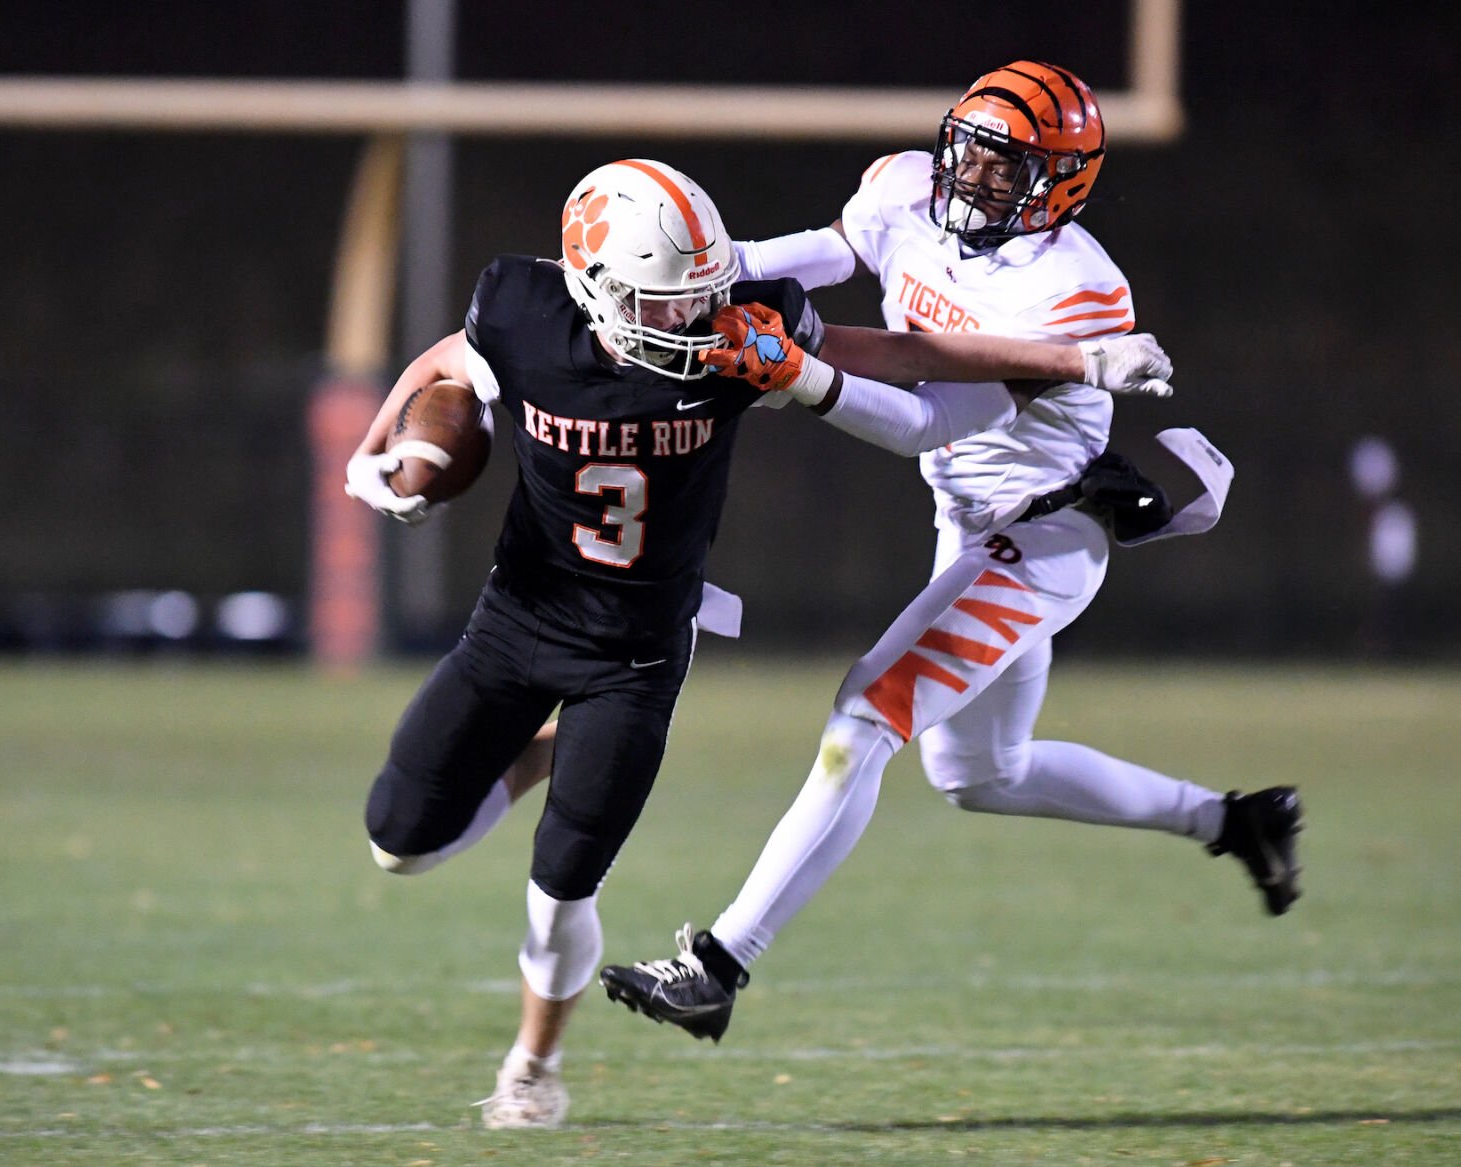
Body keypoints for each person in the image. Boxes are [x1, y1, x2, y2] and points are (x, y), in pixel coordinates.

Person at [342, 157, 1179, 1128]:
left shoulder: (732, 331)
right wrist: (386, 455)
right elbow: (446, 366)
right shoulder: (524, 307)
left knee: (562, 885)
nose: (692, 322)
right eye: (667, 303)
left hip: (639, 654)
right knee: (397, 846)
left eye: (703, 296)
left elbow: (908, 356)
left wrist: (1078, 361)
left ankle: (532, 1067)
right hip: (517, 618)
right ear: (596, 290)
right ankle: (550, 754)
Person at [597, 61, 1304, 1045]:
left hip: (1049, 528)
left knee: (863, 717)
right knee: (981, 773)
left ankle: (717, 966)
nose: (969, 179)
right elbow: (813, 255)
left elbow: (927, 415)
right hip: (970, 527)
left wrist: (796, 372)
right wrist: (690, 277)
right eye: (965, 154)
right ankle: (1238, 822)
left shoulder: (1077, 289)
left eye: (1001, 169)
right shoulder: (900, 193)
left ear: (1057, 183)